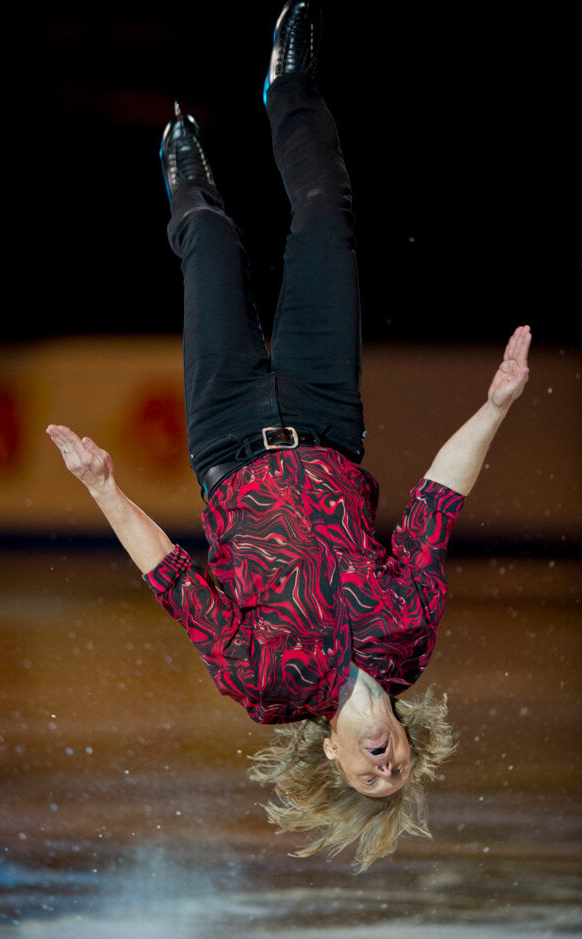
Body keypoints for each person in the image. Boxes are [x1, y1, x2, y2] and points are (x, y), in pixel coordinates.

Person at [46, 0, 531, 870]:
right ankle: (291, 85)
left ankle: (182, 169)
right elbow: (435, 503)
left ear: (333, 758)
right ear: (404, 743)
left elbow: (171, 577)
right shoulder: (407, 636)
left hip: (226, 435)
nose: (386, 766)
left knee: (210, 241)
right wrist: (494, 404)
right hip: (327, 416)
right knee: (325, 214)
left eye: (367, 777)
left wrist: (100, 485)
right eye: (398, 771)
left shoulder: (263, 685)